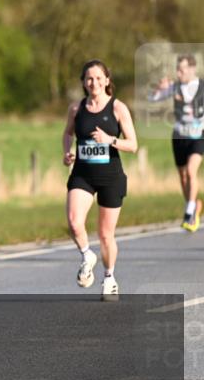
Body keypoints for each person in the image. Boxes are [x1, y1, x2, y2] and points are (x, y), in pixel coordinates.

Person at [63, 60, 138, 302]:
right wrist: (67, 152)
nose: (93, 82)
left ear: (107, 80)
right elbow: (68, 133)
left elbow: (133, 145)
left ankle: (109, 277)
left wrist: (110, 140)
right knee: (74, 222)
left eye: (98, 78)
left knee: (106, 235)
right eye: (89, 78)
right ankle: (87, 255)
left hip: (110, 178)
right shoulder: (76, 109)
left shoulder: (118, 108)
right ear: (83, 82)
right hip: (82, 175)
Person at [148, 54, 203, 232]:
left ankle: (189, 212)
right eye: (177, 70)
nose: (179, 73)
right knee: (183, 176)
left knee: (191, 171)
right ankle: (193, 205)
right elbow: (152, 98)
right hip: (179, 136)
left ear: (192, 69)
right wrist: (159, 88)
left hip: (198, 136)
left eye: (182, 69)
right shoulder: (175, 86)